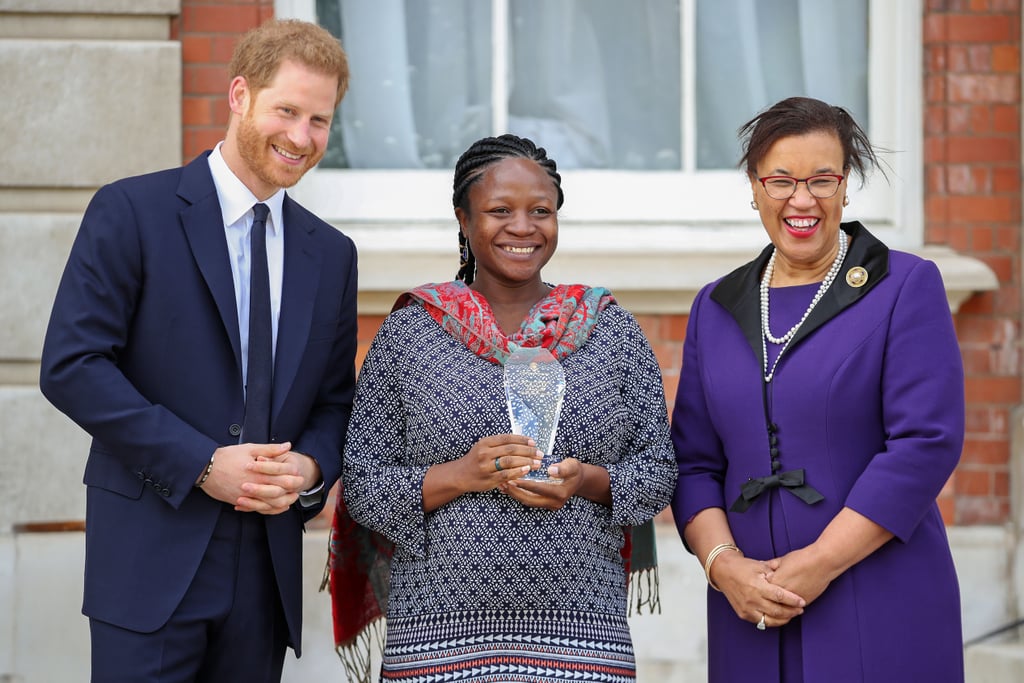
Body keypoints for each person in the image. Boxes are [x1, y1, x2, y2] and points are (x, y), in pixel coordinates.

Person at [39, 19, 356, 682]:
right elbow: (72, 366)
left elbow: (333, 401)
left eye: (319, 120)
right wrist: (201, 463)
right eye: (287, 110)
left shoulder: (331, 254)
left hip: (265, 576)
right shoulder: (132, 211)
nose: (302, 138)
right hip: (150, 559)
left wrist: (308, 469)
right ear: (240, 95)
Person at [330, 133, 678, 682]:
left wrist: (586, 479)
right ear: (464, 220)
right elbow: (364, 486)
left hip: (584, 640)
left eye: (541, 211)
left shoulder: (609, 330)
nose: (523, 227)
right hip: (436, 643)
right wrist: (460, 475)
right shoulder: (411, 331)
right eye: (500, 211)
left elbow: (658, 473)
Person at [670, 96, 965, 682]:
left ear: (846, 186)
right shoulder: (716, 306)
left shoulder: (905, 285)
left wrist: (819, 563)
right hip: (749, 611)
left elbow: (923, 443)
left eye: (822, 179)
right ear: (754, 187)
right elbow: (694, 463)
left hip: (879, 596)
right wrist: (724, 567)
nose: (801, 200)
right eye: (780, 180)